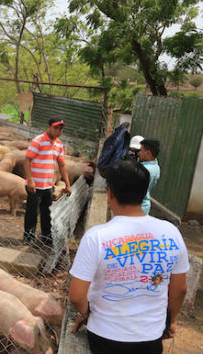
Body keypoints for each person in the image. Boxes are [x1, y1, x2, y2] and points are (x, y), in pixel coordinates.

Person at [69, 159, 188, 354]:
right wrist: (171, 321)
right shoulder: (171, 232)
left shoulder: (96, 236)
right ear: (144, 193)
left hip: (105, 337)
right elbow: (180, 289)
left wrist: (85, 312)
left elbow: (76, 296)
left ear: (110, 193)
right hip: (151, 338)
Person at [23, 117, 72, 247]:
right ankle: (29, 237)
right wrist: (30, 180)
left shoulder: (59, 144)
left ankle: (46, 237)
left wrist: (67, 184)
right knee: (32, 211)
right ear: (49, 127)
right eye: (56, 127)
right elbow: (27, 160)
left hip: (48, 185)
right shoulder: (38, 141)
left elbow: (62, 165)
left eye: (60, 128)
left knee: (47, 212)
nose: (58, 130)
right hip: (35, 184)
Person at [139, 139, 161, 215]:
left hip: (138, 207)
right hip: (144, 205)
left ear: (148, 153)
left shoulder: (144, 170)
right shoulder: (155, 166)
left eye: (141, 151)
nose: (139, 153)